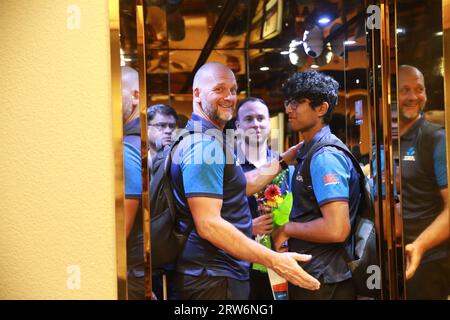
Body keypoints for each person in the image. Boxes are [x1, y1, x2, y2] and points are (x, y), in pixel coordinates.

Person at [170, 62, 320, 300]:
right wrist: (275, 260)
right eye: (219, 89)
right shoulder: (203, 144)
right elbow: (209, 224)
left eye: (233, 89)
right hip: (213, 279)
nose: (229, 97)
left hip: (218, 275)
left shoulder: (209, 138)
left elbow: (238, 186)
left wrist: (282, 161)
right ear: (197, 93)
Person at [272, 70, 361, 300]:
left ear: (321, 109)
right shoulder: (309, 150)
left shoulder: (325, 156)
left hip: (326, 280)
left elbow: (336, 228)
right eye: (288, 102)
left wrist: (286, 228)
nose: (289, 109)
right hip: (317, 275)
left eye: (297, 102)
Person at [397, 65, 450, 299]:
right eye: (404, 90)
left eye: (419, 89)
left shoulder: (435, 138)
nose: (413, 96)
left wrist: (419, 245)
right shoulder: (384, 142)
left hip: (429, 263)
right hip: (392, 261)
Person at [235, 97, 289, 300]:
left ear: (269, 123)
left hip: (279, 261)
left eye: (260, 118)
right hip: (241, 266)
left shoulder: (283, 164)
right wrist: (248, 226)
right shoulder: (229, 166)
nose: (256, 124)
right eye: (249, 119)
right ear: (238, 126)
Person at [146, 103, 178, 300]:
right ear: (146, 127)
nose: (167, 131)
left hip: (170, 249)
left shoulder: (175, 161)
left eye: (172, 126)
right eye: (161, 125)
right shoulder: (134, 160)